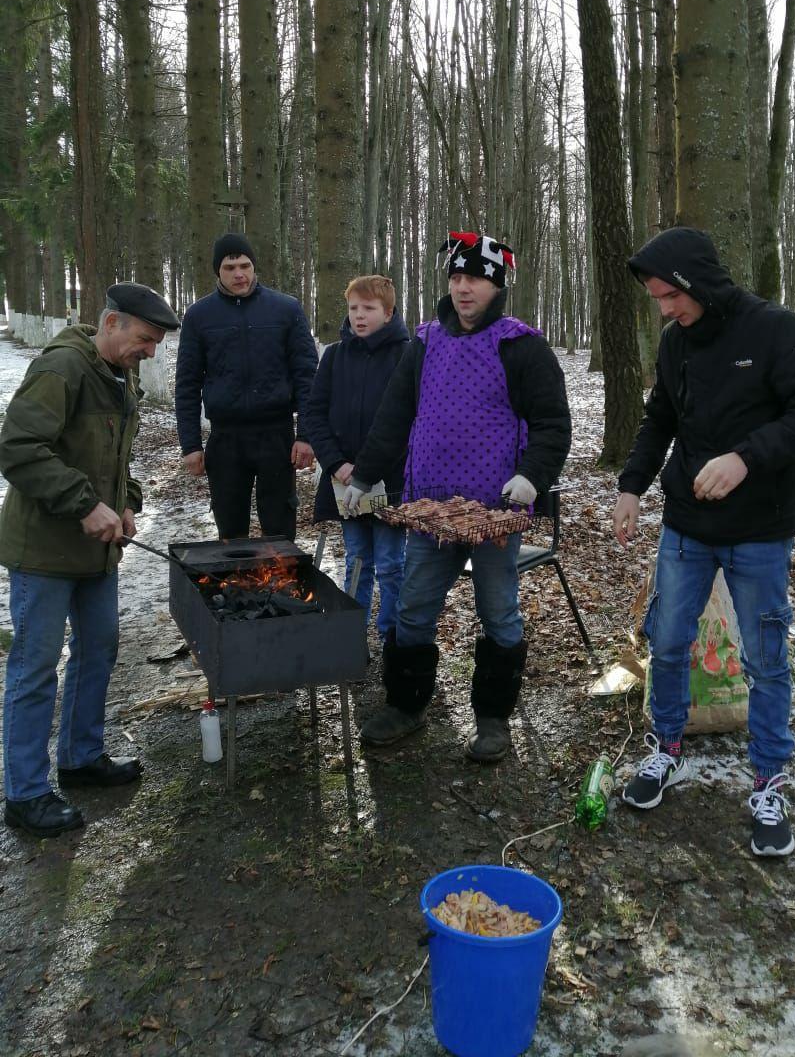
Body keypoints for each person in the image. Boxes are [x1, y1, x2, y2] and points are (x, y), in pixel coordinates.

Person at [612, 227, 795, 858]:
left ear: (699, 283)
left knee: (765, 657)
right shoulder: (675, 343)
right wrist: (631, 486)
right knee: (667, 642)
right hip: (686, 525)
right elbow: (660, 417)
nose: (666, 310)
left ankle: (768, 780)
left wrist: (746, 457)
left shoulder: (775, 330)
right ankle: (667, 747)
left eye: (672, 296)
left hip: (760, 529)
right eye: (657, 300)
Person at [342, 232, 571, 763]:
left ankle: (493, 719)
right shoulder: (425, 342)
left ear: (497, 286)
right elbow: (395, 414)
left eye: (476, 280)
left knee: (499, 612)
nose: (464, 289)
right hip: (431, 510)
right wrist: (364, 476)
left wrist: (532, 477)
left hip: (495, 512)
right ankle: (406, 704)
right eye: (457, 278)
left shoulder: (522, 346)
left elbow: (553, 423)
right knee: (413, 607)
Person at [1, 283, 180, 838]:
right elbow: (17, 448)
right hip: (44, 552)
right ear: (111, 323)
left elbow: (116, 459)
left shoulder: (119, 375)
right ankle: (25, 793)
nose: (149, 351)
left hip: (96, 553)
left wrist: (126, 503)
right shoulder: (62, 368)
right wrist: (84, 504)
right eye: (145, 339)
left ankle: (80, 758)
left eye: (156, 344)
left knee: (98, 647)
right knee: (35, 668)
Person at [175, 233, 318, 541]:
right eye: (230, 268)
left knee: (280, 532)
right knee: (230, 531)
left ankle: (283, 575)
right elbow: (187, 383)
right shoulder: (199, 316)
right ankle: (234, 575)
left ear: (254, 267)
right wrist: (190, 444)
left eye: (245, 265)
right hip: (226, 438)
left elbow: (307, 377)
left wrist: (306, 436)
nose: (239, 274)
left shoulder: (286, 310)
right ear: (218, 271)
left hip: (276, 435)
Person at [304, 275, 410, 642]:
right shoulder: (335, 356)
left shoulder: (406, 355)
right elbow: (314, 415)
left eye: (369, 308)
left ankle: (393, 637)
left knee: (392, 564)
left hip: (390, 480)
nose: (359, 316)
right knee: (357, 561)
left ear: (388, 312)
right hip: (343, 481)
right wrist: (337, 464)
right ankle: (353, 638)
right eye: (353, 308)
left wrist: (370, 469)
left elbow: (408, 421)